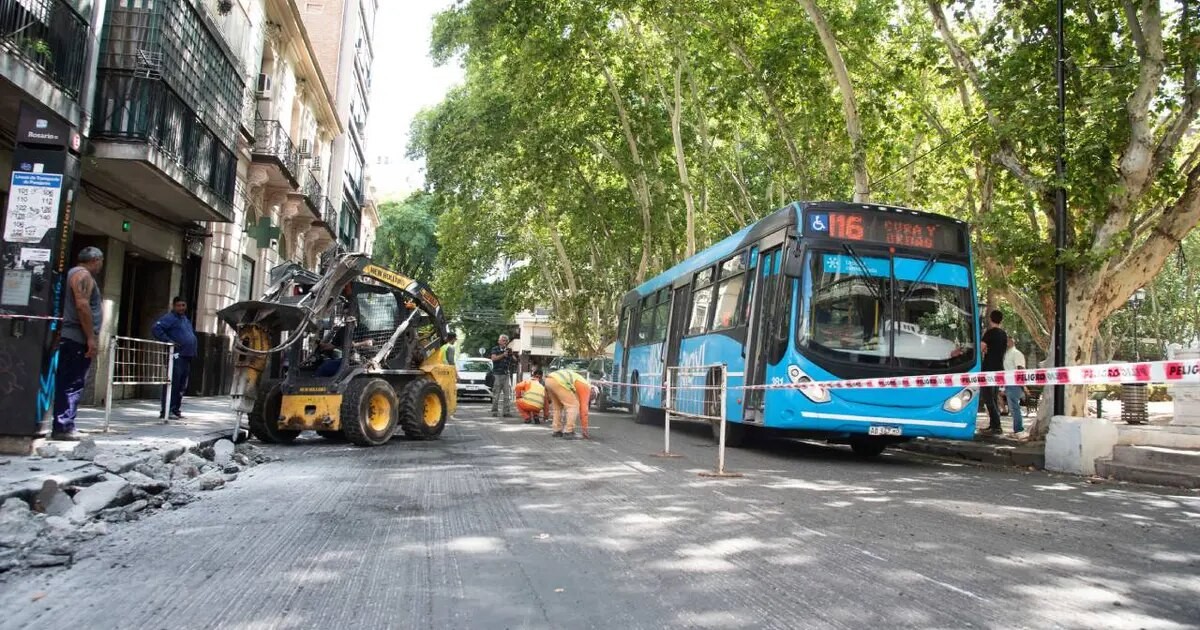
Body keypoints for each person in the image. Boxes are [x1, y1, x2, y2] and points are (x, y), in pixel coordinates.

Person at [52, 247, 104, 440]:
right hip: (76, 337)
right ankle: (64, 426)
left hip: (70, 336)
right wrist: (90, 337)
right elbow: (82, 305)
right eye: (100, 262)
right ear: (96, 260)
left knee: (68, 381)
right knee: (72, 382)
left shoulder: (72, 274)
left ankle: (64, 423)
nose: (100, 266)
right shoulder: (83, 276)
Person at [152, 297, 197, 420]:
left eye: (183, 305)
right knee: (173, 383)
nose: (181, 308)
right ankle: (167, 410)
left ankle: (175, 409)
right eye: (179, 305)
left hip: (186, 355)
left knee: (182, 385)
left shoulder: (184, 319)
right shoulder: (170, 318)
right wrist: (169, 341)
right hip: (176, 355)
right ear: (173, 306)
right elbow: (156, 328)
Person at [979, 310, 1008, 435]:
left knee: (988, 397)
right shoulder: (1003, 334)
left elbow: (981, 348)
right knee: (994, 397)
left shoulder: (989, 333)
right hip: (999, 368)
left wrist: (985, 350)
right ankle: (994, 425)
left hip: (988, 369)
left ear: (990, 319)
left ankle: (996, 426)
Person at [545, 368, 591, 439]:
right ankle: (569, 431)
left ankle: (557, 430)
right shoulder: (586, 387)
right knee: (573, 406)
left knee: (557, 407)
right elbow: (584, 411)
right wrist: (585, 429)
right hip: (559, 381)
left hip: (549, 380)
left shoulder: (580, 382)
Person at [488, 334, 518, 417]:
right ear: (499, 341)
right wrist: (503, 355)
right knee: (496, 394)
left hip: (506, 375)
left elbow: (515, 361)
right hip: (497, 374)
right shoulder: (495, 349)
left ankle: (506, 412)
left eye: (506, 340)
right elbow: (493, 358)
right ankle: (494, 411)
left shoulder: (509, 350)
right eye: (503, 340)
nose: (505, 342)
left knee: (507, 395)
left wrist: (511, 354)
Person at [1003, 336, 1027, 433]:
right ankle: (1017, 429)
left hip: (1015, 383)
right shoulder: (1007, 354)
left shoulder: (1016, 354)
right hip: (1008, 383)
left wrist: (1022, 385)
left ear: (1011, 341)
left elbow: (1020, 368)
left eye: (1007, 341)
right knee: (1012, 407)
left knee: (1014, 407)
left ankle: (1018, 429)